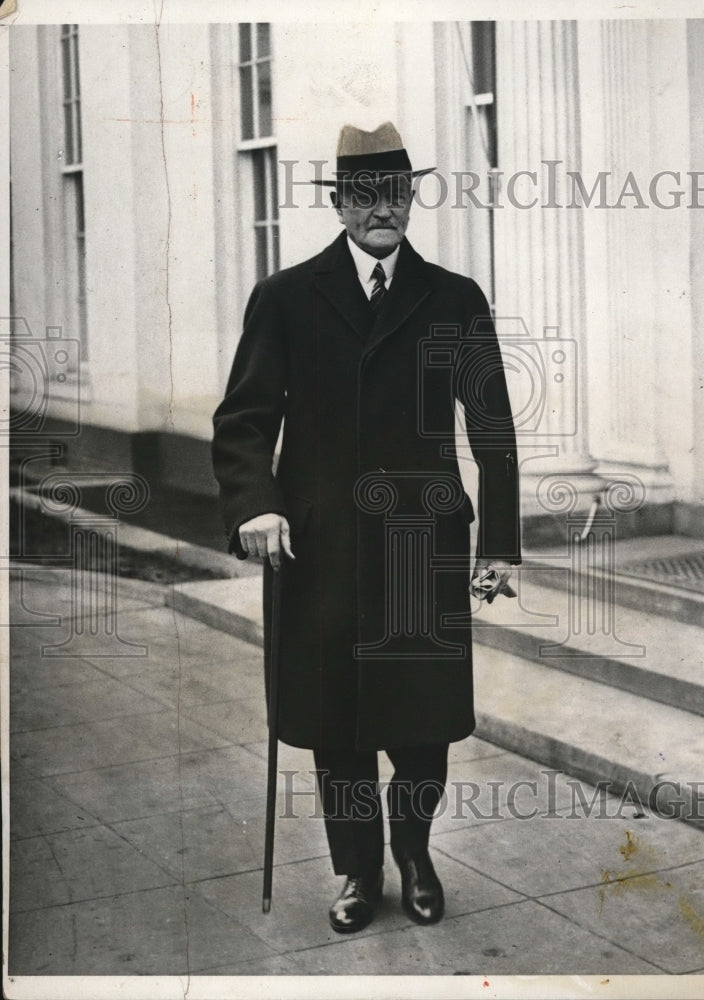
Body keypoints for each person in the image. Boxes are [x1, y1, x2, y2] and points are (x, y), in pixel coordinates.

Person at [212, 122, 520, 933]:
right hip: (322, 550)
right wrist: (257, 503)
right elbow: (244, 420)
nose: (381, 209)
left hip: (421, 545)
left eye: (395, 193)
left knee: (422, 720)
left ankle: (414, 853)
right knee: (334, 722)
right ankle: (358, 869)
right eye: (363, 195)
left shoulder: (454, 298)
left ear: (411, 198)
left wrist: (498, 547)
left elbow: (493, 430)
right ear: (340, 204)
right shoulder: (285, 297)